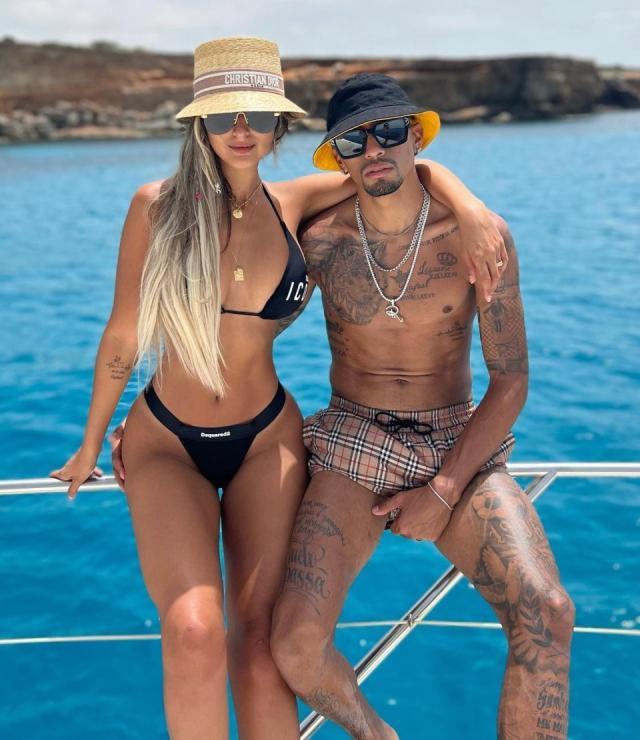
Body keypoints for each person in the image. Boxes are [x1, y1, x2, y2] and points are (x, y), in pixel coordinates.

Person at [50, 38, 508, 739]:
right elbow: (122, 336)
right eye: (223, 116)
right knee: (194, 630)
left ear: (279, 128)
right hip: (167, 441)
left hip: (267, 439)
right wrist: (90, 442)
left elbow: (404, 164)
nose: (242, 130)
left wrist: (470, 208)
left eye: (258, 116)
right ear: (199, 126)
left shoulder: (295, 202)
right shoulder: (156, 207)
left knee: (264, 652)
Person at [270, 73, 575, 740]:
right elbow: (239, 335)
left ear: (415, 137)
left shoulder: (478, 237)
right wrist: (154, 411)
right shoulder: (320, 243)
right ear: (338, 158)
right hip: (353, 437)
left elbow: (511, 379)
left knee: (547, 611)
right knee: (294, 644)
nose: (373, 150)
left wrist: (444, 489)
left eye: (387, 132)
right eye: (354, 141)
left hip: (453, 438)